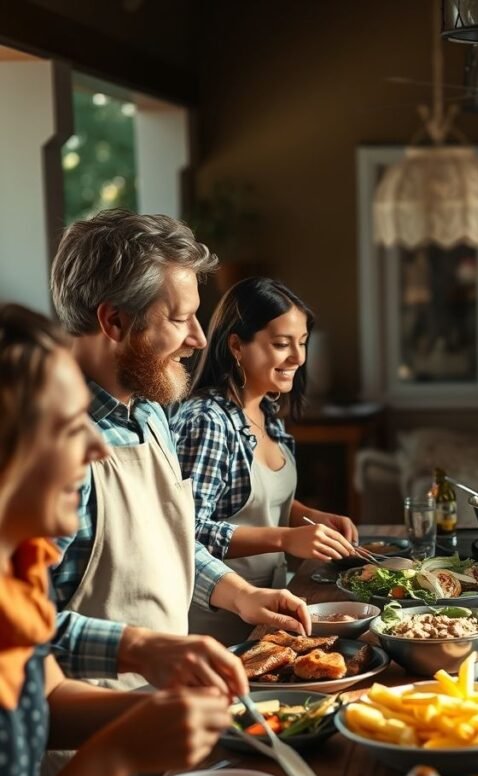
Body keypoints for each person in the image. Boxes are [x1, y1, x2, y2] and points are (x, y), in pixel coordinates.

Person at [0, 305, 230, 776]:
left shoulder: (15, 579)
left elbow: (38, 698)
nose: (98, 450)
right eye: (72, 431)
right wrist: (118, 754)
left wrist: (150, 712)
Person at [48, 210, 312, 689]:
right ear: (113, 320)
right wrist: (143, 652)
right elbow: (21, 631)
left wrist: (238, 593)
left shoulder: (151, 414)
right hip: (87, 738)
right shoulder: (50, 446)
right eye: (178, 318)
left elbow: (167, 539)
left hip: (167, 715)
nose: (198, 338)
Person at [172, 277, 358, 644]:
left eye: (302, 343)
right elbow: (185, 531)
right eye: (281, 344)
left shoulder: (266, 409)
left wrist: (307, 516)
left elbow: (252, 502)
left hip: (268, 612)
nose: (298, 358)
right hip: (216, 625)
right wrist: (287, 539)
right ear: (237, 346)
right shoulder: (206, 421)